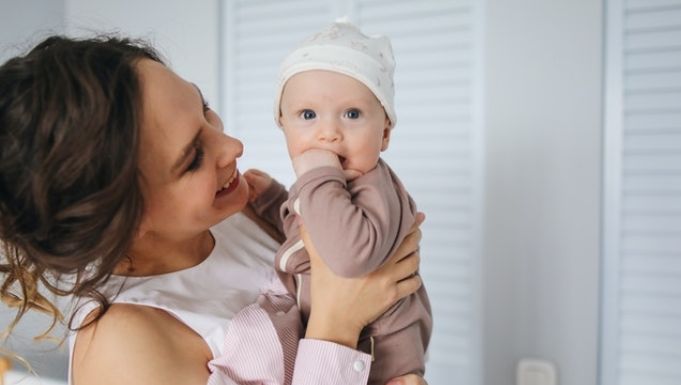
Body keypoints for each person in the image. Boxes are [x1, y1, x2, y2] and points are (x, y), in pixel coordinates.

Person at [0, 35, 427, 385]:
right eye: (192, 158)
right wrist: (336, 325)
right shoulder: (125, 349)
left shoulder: (245, 212)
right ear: (120, 221)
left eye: (204, 108)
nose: (233, 147)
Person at [244, 20, 432, 385]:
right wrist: (271, 200)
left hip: (383, 360)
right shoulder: (328, 188)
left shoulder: (372, 185)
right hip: (343, 354)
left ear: (385, 133)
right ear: (282, 125)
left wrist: (315, 175)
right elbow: (309, 225)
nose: (328, 133)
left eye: (352, 114)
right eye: (308, 115)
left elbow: (348, 255)